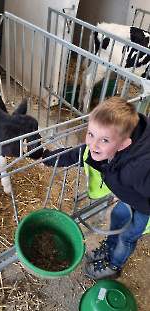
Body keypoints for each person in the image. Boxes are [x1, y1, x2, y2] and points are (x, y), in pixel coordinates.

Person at [41, 97, 150, 280]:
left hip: (146, 207)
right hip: (131, 196)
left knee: (128, 236)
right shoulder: (103, 147)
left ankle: (114, 265)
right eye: (90, 134)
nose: (93, 144)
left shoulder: (138, 171)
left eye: (104, 140)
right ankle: (109, 248)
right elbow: (77, 154)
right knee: (116, 217)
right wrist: (46, 157)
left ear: (123, 144)